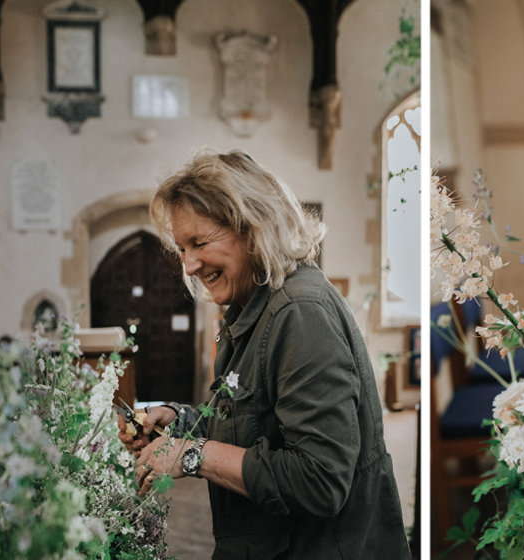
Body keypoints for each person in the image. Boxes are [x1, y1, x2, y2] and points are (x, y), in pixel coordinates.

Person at [118, 150, 412, 559]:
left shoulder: (299, 313)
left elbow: (320, 480)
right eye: (182, 248)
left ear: (253, 228)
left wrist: (193, 456)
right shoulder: (253, 305)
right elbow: (257, 424)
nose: (188, 265)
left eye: (199, 243)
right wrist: (181, 424)